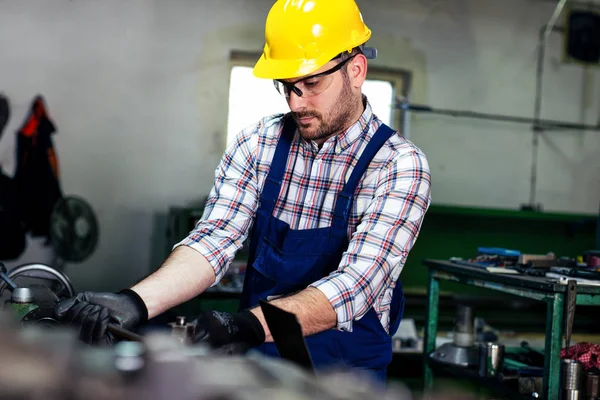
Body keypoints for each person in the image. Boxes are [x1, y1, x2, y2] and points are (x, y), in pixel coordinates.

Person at [55, 0, 431, 382]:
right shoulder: (259, 143)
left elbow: (358, 283)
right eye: (285, 86)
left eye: (312, 83)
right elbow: (213, 240)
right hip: (260, 367)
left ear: (356, 70)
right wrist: (135, 302)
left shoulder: (398, 165)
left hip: (347, 377)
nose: (296, 101)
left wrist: (248, 325)